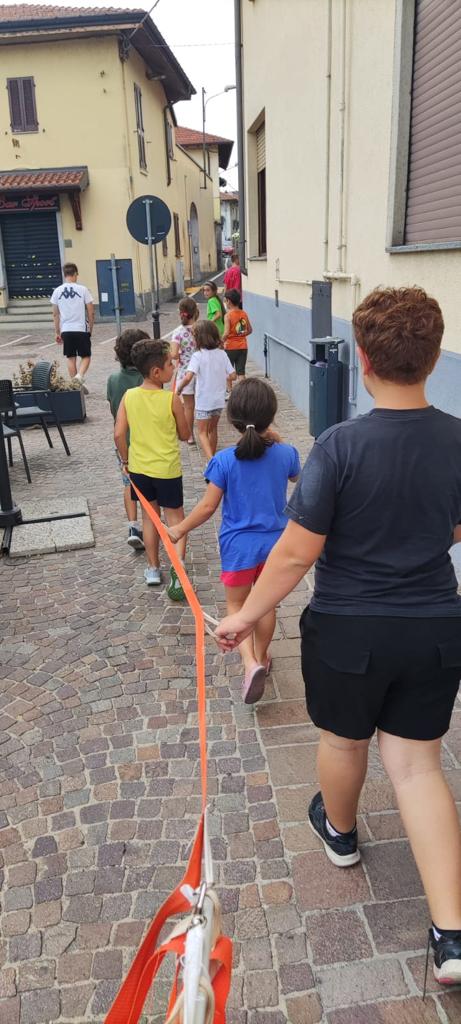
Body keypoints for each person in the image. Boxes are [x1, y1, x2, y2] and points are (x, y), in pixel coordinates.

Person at [215, 286, 461, 985]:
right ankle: (451, 937)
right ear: (434, 357)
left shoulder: (338, 446)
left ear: (362, 359)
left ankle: (342, 833)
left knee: (344, 741)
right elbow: (451, 525)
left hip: (349, 630)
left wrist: (243, 615)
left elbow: (296, 552)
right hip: (434, 627)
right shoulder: (457, 438)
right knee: (418, 767)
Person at [169, 377, 300, 704]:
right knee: (265, 604)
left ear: (232, 419)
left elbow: (207, 507)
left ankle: (249, 662)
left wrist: (179, 529)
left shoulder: (224, 461)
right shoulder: (286, 454)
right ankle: (263, 657)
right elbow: (298, 476)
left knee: (238, 607)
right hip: (276, 546)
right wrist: (278, 439)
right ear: (271, 415)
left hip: (238, 549)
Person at [114, 339, 190, 600]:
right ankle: (178, 569)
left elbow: (118, 434)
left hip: (139, 469)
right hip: (167, 469)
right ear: (157, 372)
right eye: (170, 364)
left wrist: (125, 461)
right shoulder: (171, 399)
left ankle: (153, 569)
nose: (173, 367)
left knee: (149, 518)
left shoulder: (129, 396)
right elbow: (184, 434)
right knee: (176, 519)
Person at [107, 328, 149, 550]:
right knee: (150, 485)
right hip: (146, 441)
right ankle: (151, 524)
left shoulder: (113, 379)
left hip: (124, 441)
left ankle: (133, 526)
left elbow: (113, 410)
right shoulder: (146, 380)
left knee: (128, 484)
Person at [176, 321, 235, 461]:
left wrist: (179, 388)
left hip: (204, 401)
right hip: (218, 400)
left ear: (199, 338)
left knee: (202, 433)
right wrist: (221, 376)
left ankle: (211, 461)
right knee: (213, 430)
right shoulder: (222, 354)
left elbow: (188, 377)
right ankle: (212, 457)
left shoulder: (198, 356)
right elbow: (233, 375)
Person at [51, 263, 94, 392]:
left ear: (64, 275)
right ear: (75, 274)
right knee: (86, 356)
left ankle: (76, 387)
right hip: (81, 328)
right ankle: (79, 377)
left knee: (71, 357)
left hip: (66, 329)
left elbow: (55, 314)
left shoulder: (57, 291)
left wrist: (57, 332)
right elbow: (91, 311)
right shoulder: (83, 289)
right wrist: (90, 328)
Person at [170, 297, 199, 445]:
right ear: (195, 312)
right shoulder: (201, 329)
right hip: (201, 371)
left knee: (188, 406)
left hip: (185, 372)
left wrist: (180, 354)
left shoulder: (178, 332)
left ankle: (190, 435)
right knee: (202, 405)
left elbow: (174, 354)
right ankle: (206, 432)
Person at [223, 289, 252, 384]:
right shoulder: (244, 313)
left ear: (229, 301)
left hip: (230, 347)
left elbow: (226, 333)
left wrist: (220, 341)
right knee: (241, 373)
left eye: (225, 300)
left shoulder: (228, 315)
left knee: (228, 371)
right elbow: (250, 330)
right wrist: (240, 335)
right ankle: (243, 391)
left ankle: (229, 391)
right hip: (243, 346)